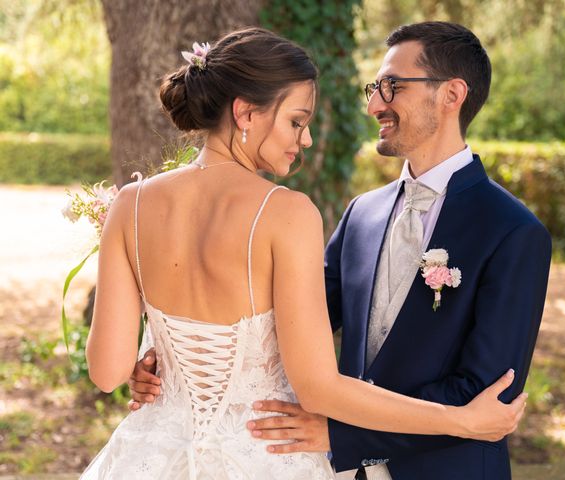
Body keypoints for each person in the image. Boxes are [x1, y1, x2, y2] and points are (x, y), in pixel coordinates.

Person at [99, 27, 526, 480]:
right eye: (297, 122)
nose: (304, 140)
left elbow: (107, 371)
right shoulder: (296, 212)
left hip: (152, 454)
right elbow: (318, 384)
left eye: (391, 87)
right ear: (245, 112)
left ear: (453, 94)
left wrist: (152, 359)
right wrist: (458, 420)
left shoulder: (130, 203)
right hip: (266, 455)